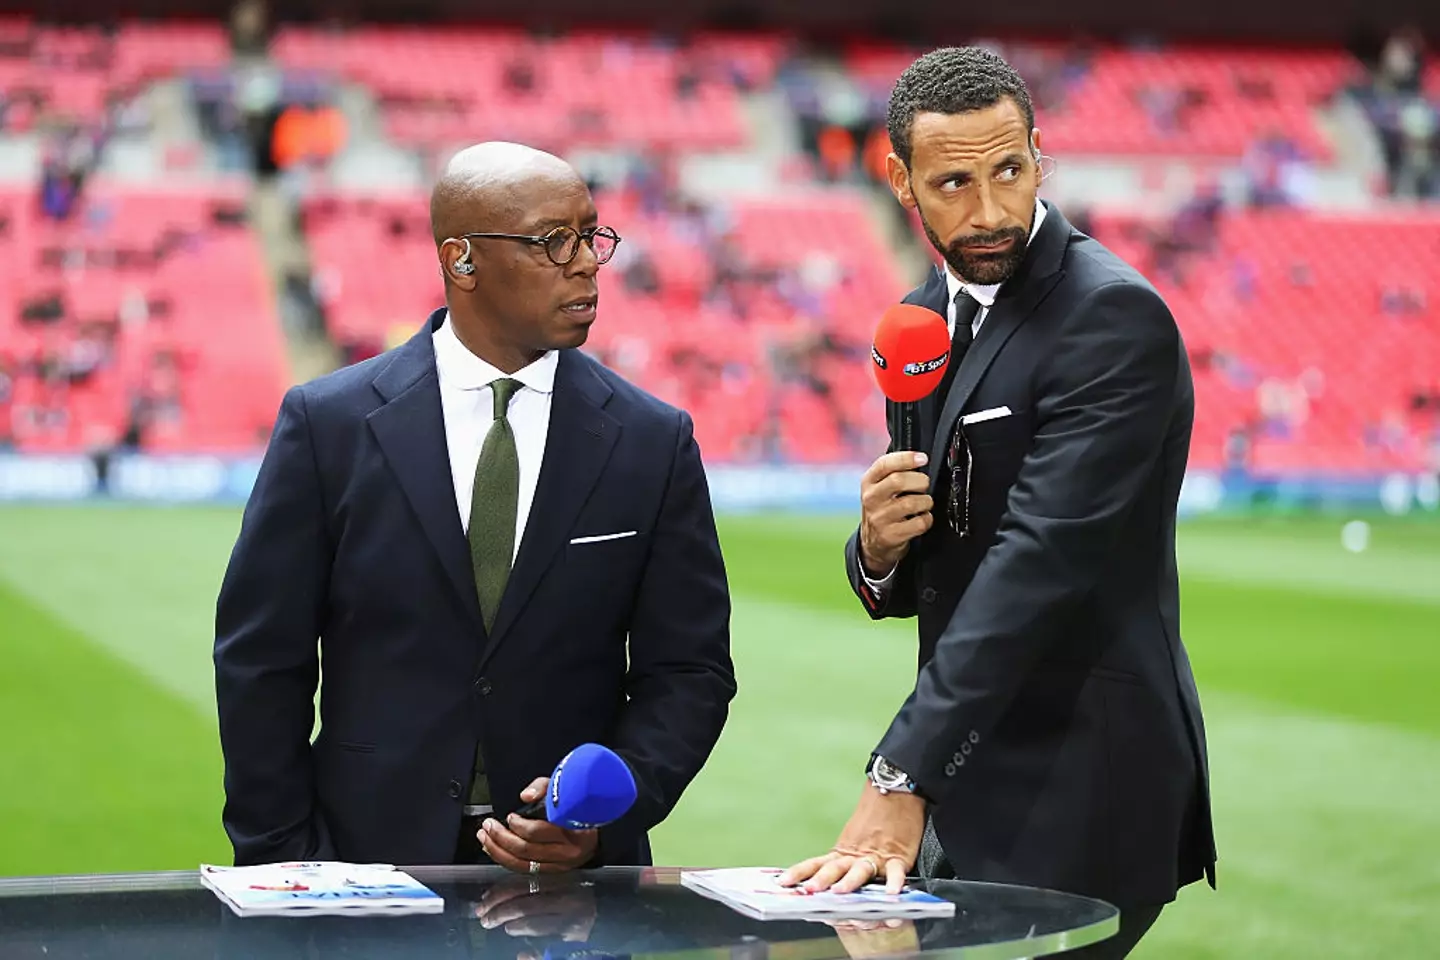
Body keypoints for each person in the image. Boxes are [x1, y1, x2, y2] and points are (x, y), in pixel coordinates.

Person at [779, 47, 1216, 958]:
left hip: (1081, 779)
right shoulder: (921, 317)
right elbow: (937, 566)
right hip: (970, 774)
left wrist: (901, 774)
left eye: (1009, 170)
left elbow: (1038, 562)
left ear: (1038, 154)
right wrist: (879, 551)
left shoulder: (1111, 318)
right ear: (899, 180)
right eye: (952, 182)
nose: (988, 210)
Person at [214, 141, 736, 874]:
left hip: (575, 883)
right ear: (461, 260)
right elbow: (262, 660)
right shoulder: (326, 425)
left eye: (591, 235)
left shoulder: (654, 441)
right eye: (554, 241)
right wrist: (283, 858)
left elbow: (689, 671)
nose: (586, 261)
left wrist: (607, 816)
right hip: (357, 873)